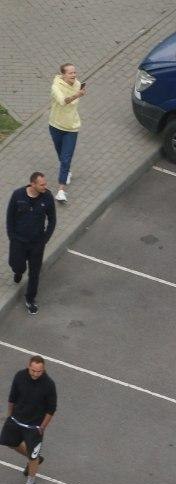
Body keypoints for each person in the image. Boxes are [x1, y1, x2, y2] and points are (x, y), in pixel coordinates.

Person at [5, 354, 57, 484]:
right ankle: (34, 459)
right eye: (33, 370)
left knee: (33, 455)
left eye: (38, 371)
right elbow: (12, 398)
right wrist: (10, 416)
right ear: (29, 366)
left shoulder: (48, 384)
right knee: (10, 442)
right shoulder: (20, 376)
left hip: (34, 427)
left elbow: (51, 409)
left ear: (43, 369)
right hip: (16, 420)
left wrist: (42, 427)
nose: (35, 374)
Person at [6, 173, 57, 315]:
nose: (45, 186)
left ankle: (30, 299)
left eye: (45, 184)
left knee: (34, 273)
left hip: (37, 244)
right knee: (17, 265)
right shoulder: (18, 195)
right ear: (32, 184)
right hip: (19, 242)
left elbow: (52, 220)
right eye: (42, 184)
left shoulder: (47, 197)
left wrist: (44, 239)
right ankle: (18, 272)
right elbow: (10, 217)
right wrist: (12, 237)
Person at [49, 64, 85, 204]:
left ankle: (61, 191)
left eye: (75, 72)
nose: (74, 75)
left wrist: (78, 92)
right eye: (70, 73)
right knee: (61, 155)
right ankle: (67, 172)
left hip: (71, 128)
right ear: (63, 75)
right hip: (55, 126)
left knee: (65, 158)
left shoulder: (77, 84)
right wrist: (78, 94)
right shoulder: (55, 87)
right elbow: (63, 101)